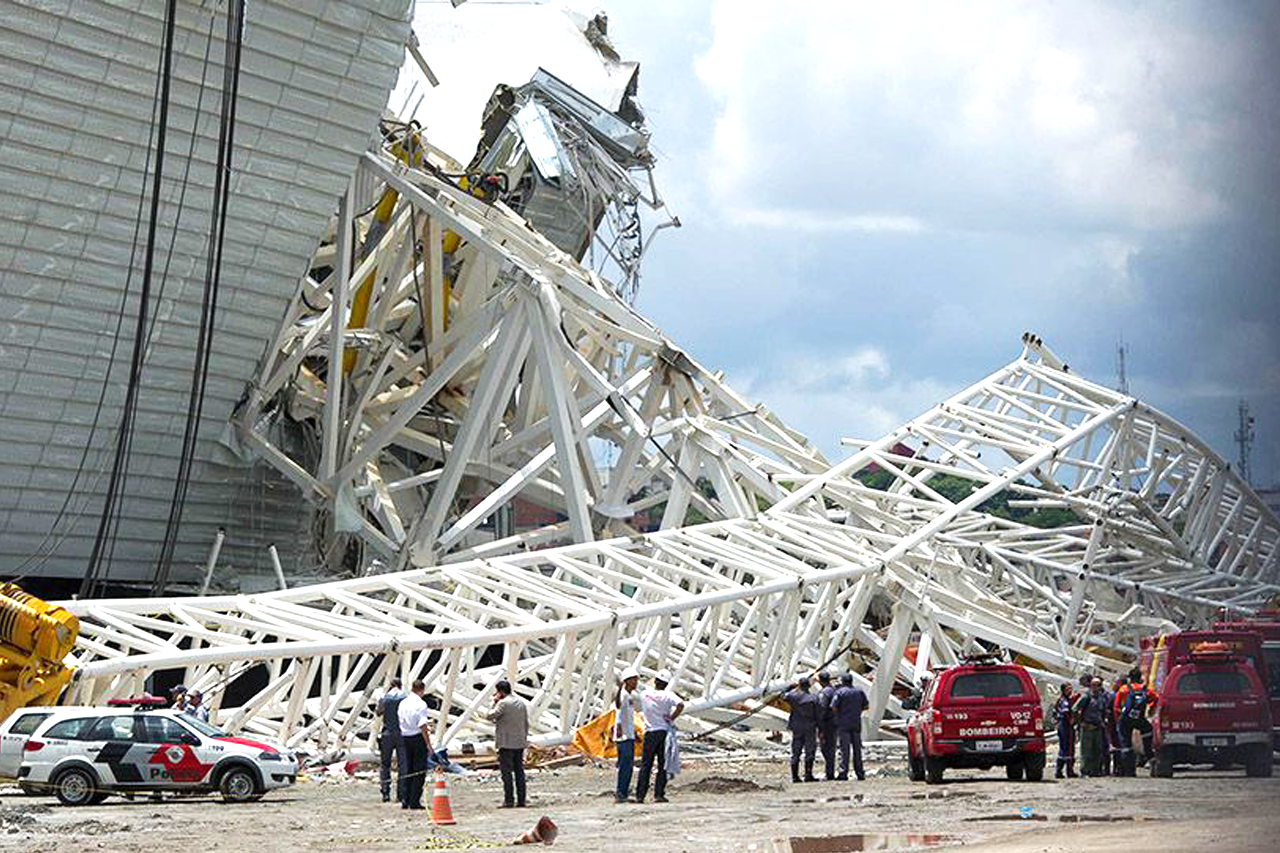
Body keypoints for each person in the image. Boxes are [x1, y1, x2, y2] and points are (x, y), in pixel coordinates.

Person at [635, 669, 683, 803]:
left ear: (655, 681)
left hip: (650, 733)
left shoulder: (645, 694)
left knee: (646, 765)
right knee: (663, 764)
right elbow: (681, 704)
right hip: (663, 732)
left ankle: (640, 795)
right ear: (666, 684)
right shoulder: (669, 695)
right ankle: (659, 794)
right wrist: (671, 717)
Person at [487, 680, 529, 808]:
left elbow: (489, 716)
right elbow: (526, 723)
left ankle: (509, 800)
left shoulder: (503, 703)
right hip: (519, 741)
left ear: (500, 692)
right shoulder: (521, 703)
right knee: (519, 771)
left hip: (506, 742)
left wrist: (493, 703)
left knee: (506, 773)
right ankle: (521, 800)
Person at [397, 679, 434, 810]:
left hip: (405, 737)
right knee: (419, 771)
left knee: (408, 768)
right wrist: (429, 744)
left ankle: (405, 799)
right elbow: (422, 725)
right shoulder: (421, 704)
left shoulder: (403, 703)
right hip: (417, 737)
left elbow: (400, 720)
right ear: (422, 690)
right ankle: (414, 801)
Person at [830, 673, 868, 781]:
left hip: (844, 724)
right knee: (857, 750)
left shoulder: (840, 692)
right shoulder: (859, 691)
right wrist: (856, 711)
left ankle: (843, 773)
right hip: (856, 723)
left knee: (844, 750)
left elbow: (833, 706)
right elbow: (866, 706)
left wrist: (841, 714)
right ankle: (860, 773)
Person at [376, 677, 407, 803]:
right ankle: (401, 793)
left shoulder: (385, 698)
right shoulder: (404, 698)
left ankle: (385, 792)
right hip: (400, 733)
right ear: (400, 685)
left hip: (387, 733)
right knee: (403, 765)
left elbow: (378, 712)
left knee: (385, 764)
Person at [783, 676, 820, 783]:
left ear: (799, 686)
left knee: (796, 752)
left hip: (797, 727)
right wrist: (820, 728)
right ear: (808, 686)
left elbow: (783, 695)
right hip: (810, 727)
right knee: (810, 751)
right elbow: (818, 714)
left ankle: (795, 776)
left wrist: (790, 687)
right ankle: (808, 775)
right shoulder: (813, 698)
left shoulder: (793, 697)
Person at [612, 667, 640, 803]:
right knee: (625, 765)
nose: (636, 683)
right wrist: (619, 688)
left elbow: (627, 717)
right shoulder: (623, 695)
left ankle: (623, 792)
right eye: (633, 680)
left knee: (628, 766)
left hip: (629, 735)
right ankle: (620, 793)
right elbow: (617, 705)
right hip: (623, 736)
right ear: (626, 681)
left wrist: (634, 731)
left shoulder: (629, 696)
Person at [1118, 673, 1154, 776]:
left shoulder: (1123, 689)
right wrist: (1151, 709)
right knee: (1148, 737)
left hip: (1126, 720)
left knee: (1126, 745)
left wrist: (1119, 720)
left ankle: (1129, 771)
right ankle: (1151, 758)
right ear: (1140, 678)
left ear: (1130, 678)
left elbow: (1116, 706)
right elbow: (1156, 698)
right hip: (1140, 719)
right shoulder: (1146, 690)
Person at [1074, 677, 1107, 777]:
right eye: (1095, 685)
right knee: (1086, 751)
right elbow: (1075, 709)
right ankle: (1085, 771)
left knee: (1097, 750)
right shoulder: (1086, 697)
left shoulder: (1101, 697)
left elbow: (1103, 710)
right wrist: (1081, 723)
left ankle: (1096, 771)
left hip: (1098, 727)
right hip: (1087, 727)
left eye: (1099, 685)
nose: (1096, 687)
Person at [816, 671, 838, 781]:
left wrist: (820, 727)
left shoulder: (824, 693)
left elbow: (822, 709)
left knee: (826, 748)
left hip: (827, 723)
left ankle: (829, 773)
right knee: (831, 748)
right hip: (835, 722)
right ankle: (830, 772)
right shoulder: (834, 690)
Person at [1052, 682, 1077, 778]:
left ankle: (1066, 770)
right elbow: (1065, 712)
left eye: (1071, 689)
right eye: (1068, 689)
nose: (1070, 691)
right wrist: (1070, 720)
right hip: (1065, 725)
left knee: (1067, 747)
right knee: (1067, 747)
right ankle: (1063, 771)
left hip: (1063, 724)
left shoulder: (1063, 700)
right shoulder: (1064, 701)